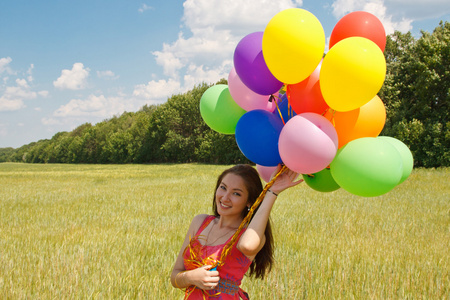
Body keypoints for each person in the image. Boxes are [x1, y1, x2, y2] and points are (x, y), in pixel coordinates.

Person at [170, 164, 303, 299]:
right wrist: (190, 277)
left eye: (236, 193)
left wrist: (272, 192)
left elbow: (247, 246)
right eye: (223, 188)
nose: (225, 197)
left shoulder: (249, 235)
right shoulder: (200, 222)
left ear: (250, 201)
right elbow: (175, 275)